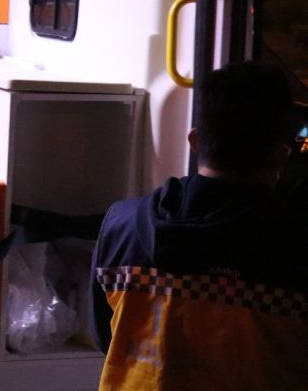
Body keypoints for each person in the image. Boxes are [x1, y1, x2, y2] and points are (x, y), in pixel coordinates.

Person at [90, 62, 308, 390]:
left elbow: (106, 336)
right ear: (280, 157)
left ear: (195, 140)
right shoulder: (297, 243)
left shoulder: (122, 224)